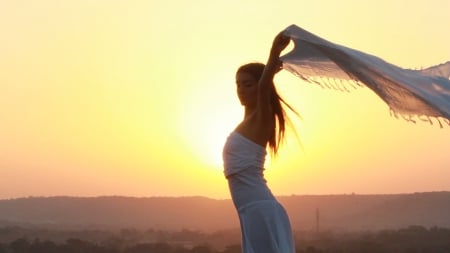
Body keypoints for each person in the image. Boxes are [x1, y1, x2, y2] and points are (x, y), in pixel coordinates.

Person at [222, 32, 297, 253]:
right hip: (249, 212)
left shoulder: (263, 118)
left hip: (260, 210)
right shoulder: (247, 122)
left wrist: (274, 53)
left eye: (247, 84)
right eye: (238, 85)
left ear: (260, 86)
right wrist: (270, 70)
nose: (241, 90)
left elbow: (265, 88)